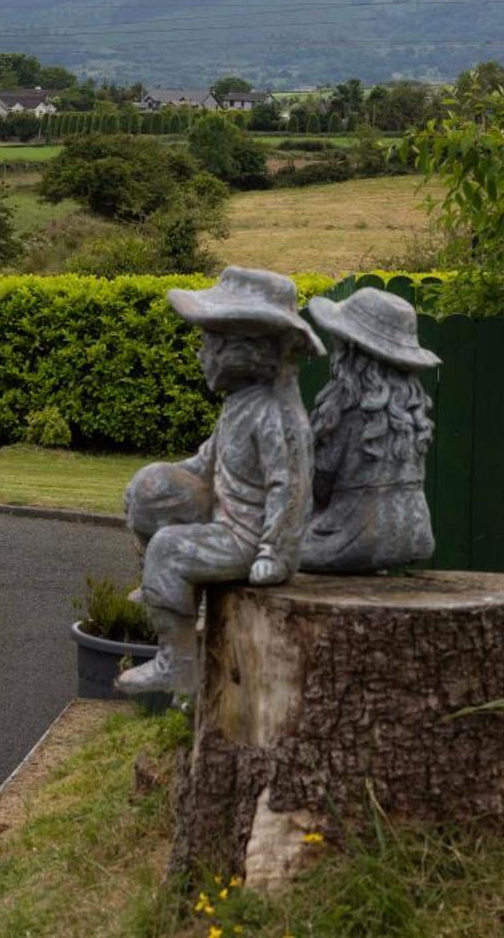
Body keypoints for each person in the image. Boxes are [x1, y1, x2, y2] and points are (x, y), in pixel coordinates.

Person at [116, 267, 322, 695]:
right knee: (149, 485)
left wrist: (274, 553)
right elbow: (207, 463)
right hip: (222, 516)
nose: (201, 355)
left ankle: (177, 663)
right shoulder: (240, 404)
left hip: (246, 538)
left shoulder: (276, 414)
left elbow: (292, 490)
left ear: (241, 352)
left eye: (210, 345)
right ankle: (164, 591)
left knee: (168, 550)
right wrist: (152, 487)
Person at [301, 288, 440, 572]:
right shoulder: (411, 412)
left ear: (352, 351)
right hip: (414, 531)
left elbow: (317, 483)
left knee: (268, 547)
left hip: (353, 537)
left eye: (338, 343)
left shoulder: (345, 408)